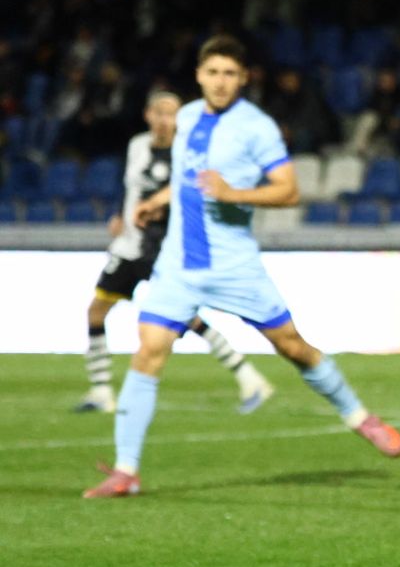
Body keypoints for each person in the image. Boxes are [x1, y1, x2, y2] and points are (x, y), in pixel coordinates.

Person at [83, 36, 400, 499]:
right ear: (199, 75)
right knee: (148, 350)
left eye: (230, 74)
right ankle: (126, 471)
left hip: (235, 267)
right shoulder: (187, 117)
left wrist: (233, 193)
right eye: (213, 72)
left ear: (243, 78)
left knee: (292, 347)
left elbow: (288, 191)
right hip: (178, 264)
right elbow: (189, 177)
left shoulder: (257, 127)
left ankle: (359, 416)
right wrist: (159, 199)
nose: (220, 82)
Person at [75, 89, 274, 414]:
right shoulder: (138, 145)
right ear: (148, 115)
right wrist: (119, 214)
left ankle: (248, 377)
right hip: (128, 247)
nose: (165, 120)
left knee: (188, 318)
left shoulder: (187, 152)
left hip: (162, 248)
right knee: (97, 311)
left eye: (171, 114)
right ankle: (101, 391)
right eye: (159, 112)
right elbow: (131, 187)